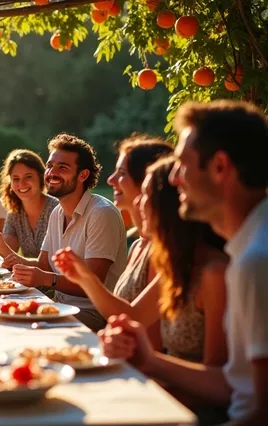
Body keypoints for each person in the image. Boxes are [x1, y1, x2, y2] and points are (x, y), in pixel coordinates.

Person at [99, 100, 268, 425]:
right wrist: (150, 361)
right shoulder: (245, 249)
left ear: (220, 167)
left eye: (181, 164)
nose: (174, 179)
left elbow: (261, 411)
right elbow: (234, 387)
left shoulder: (256, 260)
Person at [53, 157, 228, 369]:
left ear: (168, 203)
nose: (136, 202)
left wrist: (149, 363)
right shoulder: (178, 263)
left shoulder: (213, 272)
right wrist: (85, 278)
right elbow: (135, 317)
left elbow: (221, 380)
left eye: (145, 195)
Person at [3, 133, 128, 331]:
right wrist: (19, 264)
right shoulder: (57, 212)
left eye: (63, 168)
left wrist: (45, 279)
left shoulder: (101, 214)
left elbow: (93, 284)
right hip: (59, 306)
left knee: (28, 330)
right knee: (7, 315)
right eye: (50, 165)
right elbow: (44, 265)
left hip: (95, 314)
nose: (52, 173)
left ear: (83, 175)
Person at [104, 136, 173, 302]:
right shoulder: (136, 246)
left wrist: (85, 278)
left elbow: (143, 321)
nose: (110, 180)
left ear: (147, 181)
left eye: (121, 173)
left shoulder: (164, 251)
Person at [0, 149, 59, 259]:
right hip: (29, 275)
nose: (21, 184)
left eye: (28, 177)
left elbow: (51, 264)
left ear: (41, 177)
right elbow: (9, 251)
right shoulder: (15, 213)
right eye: (16, 179)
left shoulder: (56, 209)